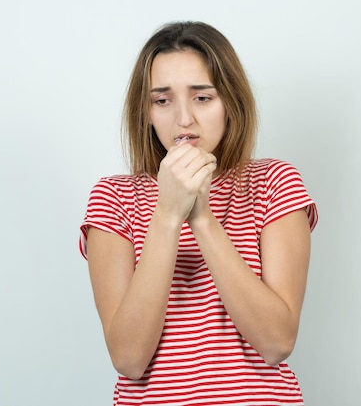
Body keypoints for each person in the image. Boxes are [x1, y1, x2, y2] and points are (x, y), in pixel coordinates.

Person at [78, 21, 318, 405]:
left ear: (230, 103)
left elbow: (276, 342)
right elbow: (128, 358)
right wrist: (168, 215)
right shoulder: (114, 198)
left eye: (202, 97)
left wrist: (201, 218)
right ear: (147, 112)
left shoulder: (274, 182)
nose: (183, 118)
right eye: (162, 100)